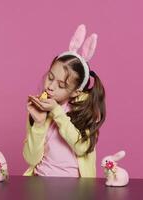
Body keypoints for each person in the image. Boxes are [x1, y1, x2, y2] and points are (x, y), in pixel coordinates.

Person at [23, 24, 106, 178]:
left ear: (75, 92)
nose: (50, 86)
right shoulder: (39, 109)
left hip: (73, 186)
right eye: (50, 77)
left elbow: (81, 148)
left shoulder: (83, 111)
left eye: (61, 85)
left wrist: (56, 112)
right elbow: (31, 158)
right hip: (40, 180)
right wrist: (39, 123)